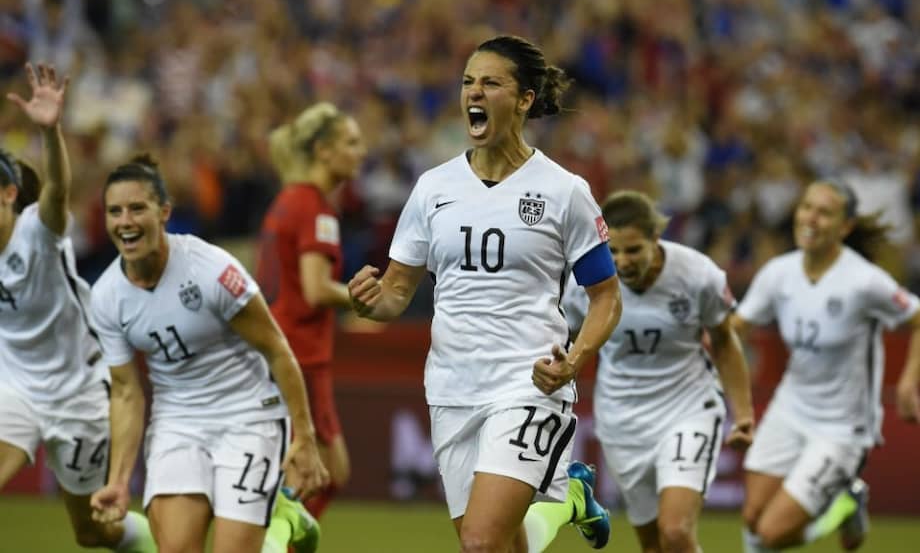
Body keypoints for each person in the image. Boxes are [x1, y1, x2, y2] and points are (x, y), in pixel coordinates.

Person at [347, 34, 622, 553]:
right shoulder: (433, 188)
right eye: (468, 82)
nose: (474, 92)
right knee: (499, 547)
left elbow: (606, 296)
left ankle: (567, 499)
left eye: (491, 83)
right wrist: (367, 300)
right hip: (452, 388)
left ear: (524, 100)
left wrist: (575, 360)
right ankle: (570, 501)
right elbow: (395, 293)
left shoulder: (564, 191)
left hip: (527, 384)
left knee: (479, 540)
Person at [87, 154, 330, 553]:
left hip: (248, 415)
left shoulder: (212, 270)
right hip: (178, 421)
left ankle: (282, 522)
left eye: (137, 208)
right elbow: (126, 393)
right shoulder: (106, 297)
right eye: (115, 211)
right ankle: (278, 521)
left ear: (164, 212)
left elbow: (277, 350)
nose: (125, 221)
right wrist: (118, 480)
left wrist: (304, 438)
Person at [0, 63, 156, 553]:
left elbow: (57, 191)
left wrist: (50, 133)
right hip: (16, 389)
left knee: (92, 532)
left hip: (79, 393)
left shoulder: (35, 231)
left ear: (8, 194)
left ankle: (156, 542)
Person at [562, 190, 754, 553]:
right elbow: (561, 339)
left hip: (688, 408)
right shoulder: (583, 286)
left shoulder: (698, 275)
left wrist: (743, 414)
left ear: (656, 237)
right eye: (613, 251)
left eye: (634, 250)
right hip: (621, 420)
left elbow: (725, 341)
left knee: (676, 532)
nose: (622, 261)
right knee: (653, 545)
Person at [734, 179, 920, 552]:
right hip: (790, 408)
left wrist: (907, 384)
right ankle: (842, 503)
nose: (811, 218)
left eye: (824, 213)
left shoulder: (865, 281)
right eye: (806, 208)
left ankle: (845, 503)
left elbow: (917, 319)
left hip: (842, 427)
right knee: (752, 519)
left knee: (770, 534)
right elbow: (735, 329)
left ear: (845, 226)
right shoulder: (779, 273)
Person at [256, 101, 367, 518]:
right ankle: (271, 542)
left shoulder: (288, 200)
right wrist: (368, 300)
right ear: (323, 150)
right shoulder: (316, 209)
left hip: (280, 348)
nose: (360, 152)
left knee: (314, 472)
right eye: (351, 143)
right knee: (322, 473)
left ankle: (271, 537)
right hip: (300, 356)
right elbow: (316, 289)